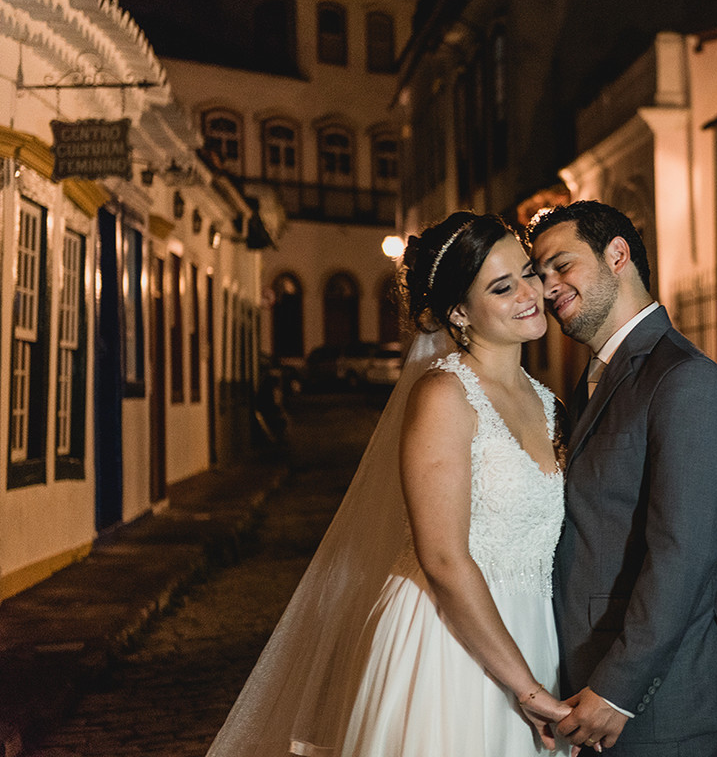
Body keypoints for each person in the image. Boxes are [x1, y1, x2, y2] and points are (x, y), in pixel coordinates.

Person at [206, 212, 571, 757]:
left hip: (533, 633)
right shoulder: (444, 397)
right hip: (449, 647)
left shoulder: (550, 404)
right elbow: (443, 560)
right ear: (458, 312)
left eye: (527, 273)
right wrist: (527, 689)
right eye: (502, 286)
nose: (529, 293)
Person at [530, 200, 717, 757]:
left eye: (561, 265)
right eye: (540, 274)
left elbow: (685, 555)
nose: (548, 287)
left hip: (655, 708)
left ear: (618, 254)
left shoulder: (684, 380)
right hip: (582, 691)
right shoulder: (593, 381)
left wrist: (617, 690)